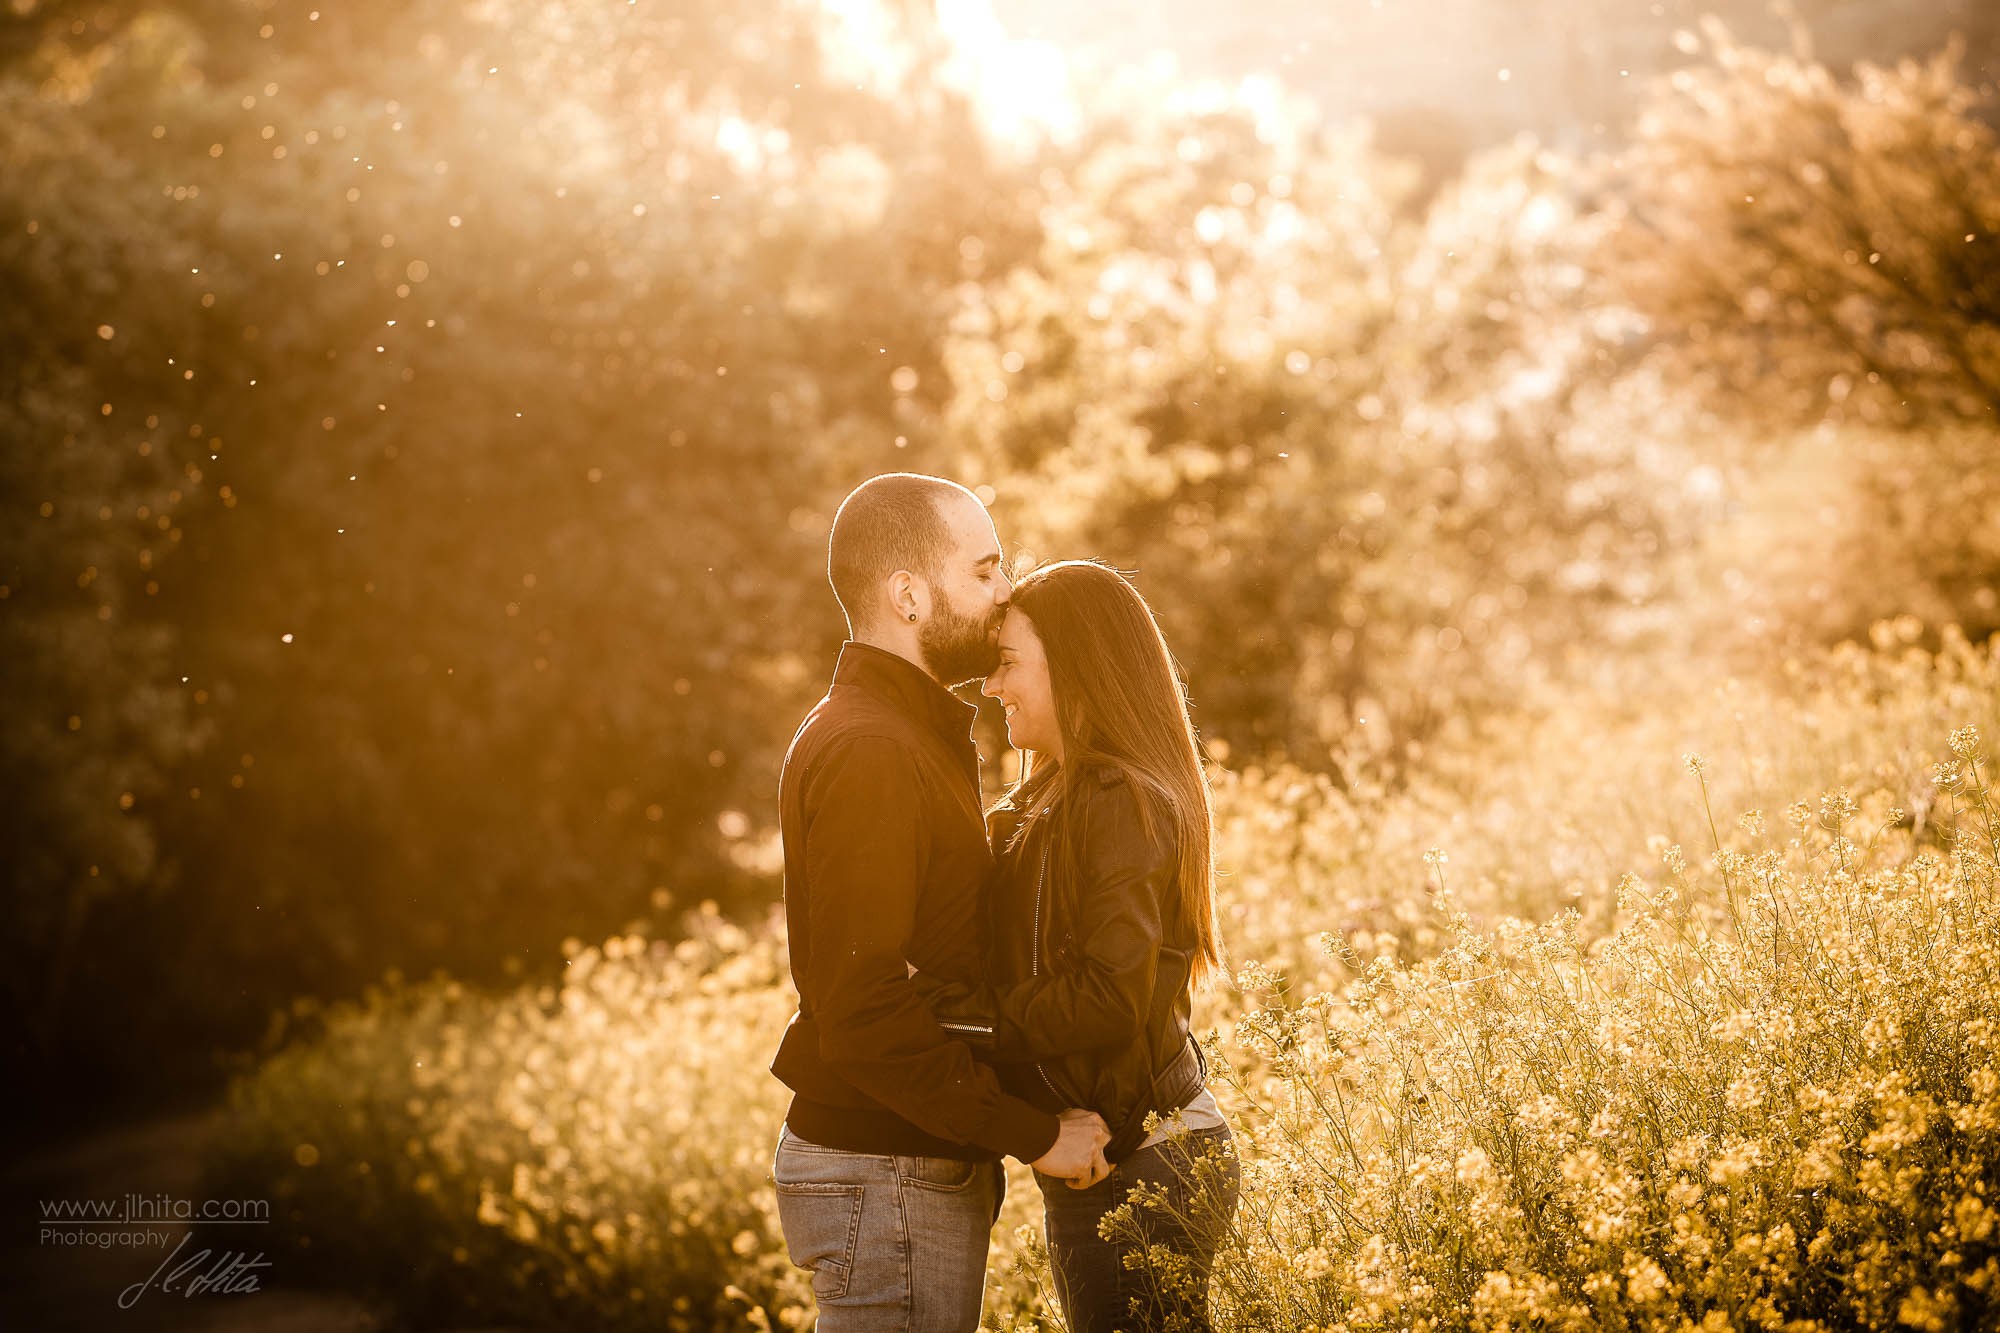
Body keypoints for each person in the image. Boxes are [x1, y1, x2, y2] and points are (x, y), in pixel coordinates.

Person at [768, 474, 1112, 1332]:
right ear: (909, 595)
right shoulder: (872, 750)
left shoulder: (911, 735)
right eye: (987, 570)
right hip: (883, 1166)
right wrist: (1033, 1132)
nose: (1007, 594)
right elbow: (863, 1005)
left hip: (902, 1163)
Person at [920, 559, 1241, 1333]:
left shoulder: (1117, 799)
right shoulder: (1037, 799)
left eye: (1006, 664)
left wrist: (963, 1021)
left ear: (1078, 668)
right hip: (1109, 1161)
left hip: (1142, 1159)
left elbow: (1109, 991)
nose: (993, 687)